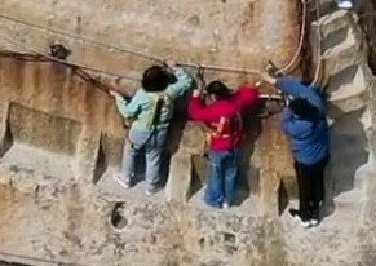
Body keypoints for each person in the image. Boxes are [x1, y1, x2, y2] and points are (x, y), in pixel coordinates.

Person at [111, 64, 195, 196]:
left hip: (140, 130)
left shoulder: (142, 95)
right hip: (161, 131)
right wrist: (175, 68)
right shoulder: (170, 93)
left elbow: (128, 112)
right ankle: (151, 186)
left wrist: (118, 99)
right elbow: (187, 82)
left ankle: (126, 178)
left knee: (131, 151)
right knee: (153, 157)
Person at [187, 78, 262, 209]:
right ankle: (228, 199)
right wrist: (238, 91)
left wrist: (196, 95)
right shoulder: (237, 104)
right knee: (230, 173)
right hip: (235, 146)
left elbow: (195, 113)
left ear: (214, 96)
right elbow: (251, 94)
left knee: (215, 174)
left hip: (218, 148)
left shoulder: (213, 110)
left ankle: (215, 199)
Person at [274, 74, 330, 226]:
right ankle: (315, 210)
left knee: (305, 188)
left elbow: (283, 123)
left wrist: (288, 108)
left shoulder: (298, 127)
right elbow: (304, 92)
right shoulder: (319, 110)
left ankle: (305, 216)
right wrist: (283, 84)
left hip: (305, 161)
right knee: (318, 182)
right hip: (322, 155)